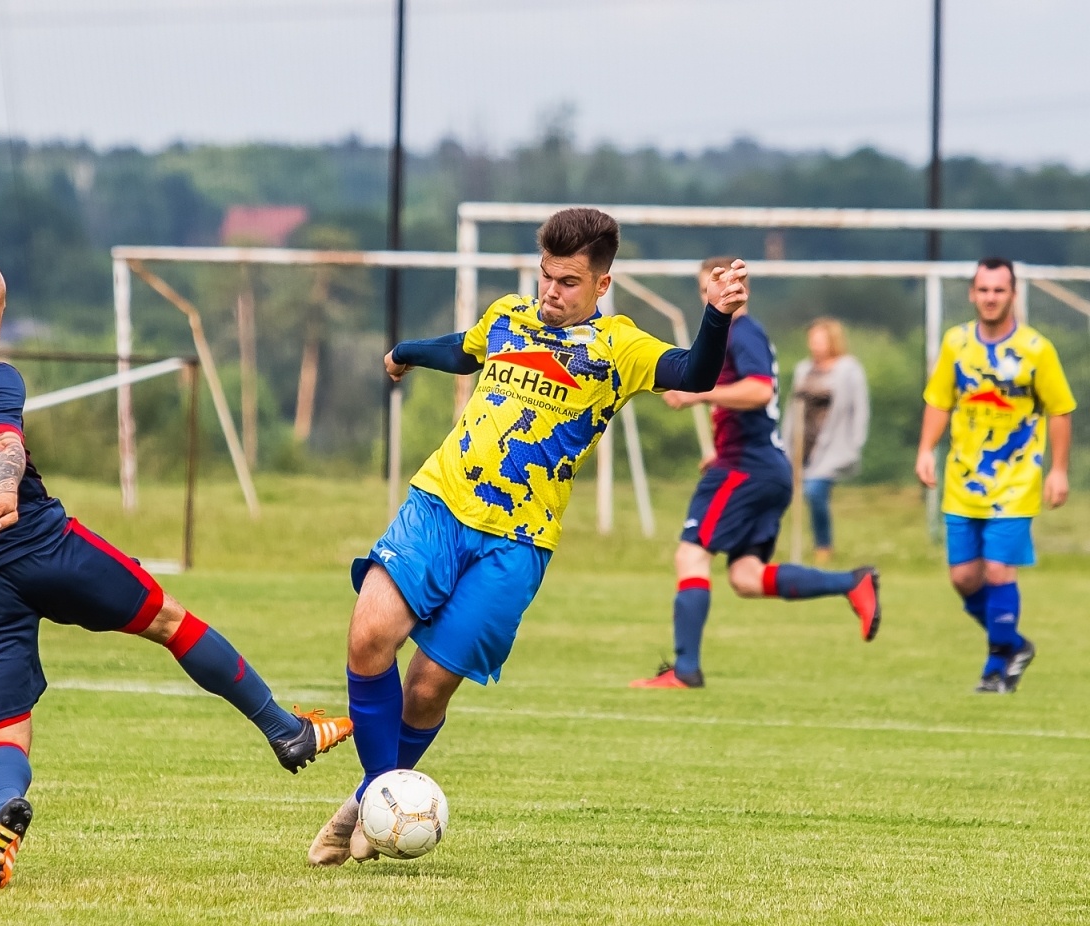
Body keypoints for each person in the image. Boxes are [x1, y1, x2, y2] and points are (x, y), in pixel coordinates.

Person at [0, 252, 352, 889]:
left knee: (3, 730)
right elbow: (3, 443)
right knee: (166, 619)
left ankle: (5, 812)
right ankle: (285, 731)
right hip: (42, 547)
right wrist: (0, 490)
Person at [306, 208, 745, 867]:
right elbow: (465, 348)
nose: (550, 292)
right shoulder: (510, 316)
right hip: (440, 504)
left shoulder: (620, 347)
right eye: (544, 276)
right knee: (370, 634)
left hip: (517, 543)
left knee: (427, 687)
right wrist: (404, 354)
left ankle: (366, 806)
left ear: (602, 285)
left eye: (567, 282)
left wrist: (717, 316)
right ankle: (379, 794)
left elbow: (695, 373)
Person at [629, 258, 880, 691]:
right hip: (759, 463)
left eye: (723, 282)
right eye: (710, 284)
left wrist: (698, 395)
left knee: (691, 556)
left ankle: (685, 671)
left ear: (739, 287)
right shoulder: (735, 334)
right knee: (745, 576)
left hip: (747, 466)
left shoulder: (741, 332)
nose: (714, 291)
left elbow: (760, 389)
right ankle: (852, 582)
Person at [916, 257, 1075, 694]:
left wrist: (1058, 470)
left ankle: (994, 668)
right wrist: (926, 449)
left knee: (1000, 570)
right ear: (972, 294)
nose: (990, 298)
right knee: (964, 578)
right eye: (983, 290)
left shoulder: (1036, 348)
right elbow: (938, 400)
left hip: (1017, 479)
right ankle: (1015, 644)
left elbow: (1060, 410)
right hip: (963, 479)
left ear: (1013, 294)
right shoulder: (956, 343)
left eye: (998, 290)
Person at [787, 317, 870, 563]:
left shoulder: (848, 369)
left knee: (814, 490)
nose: (814, 345)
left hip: (834, 445)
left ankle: (824, 547)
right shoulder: (804, 369)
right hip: (804, 443)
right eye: (812, 339)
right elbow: (794, 408)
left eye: (820, 339)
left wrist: (855, 444)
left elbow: (860, 407)